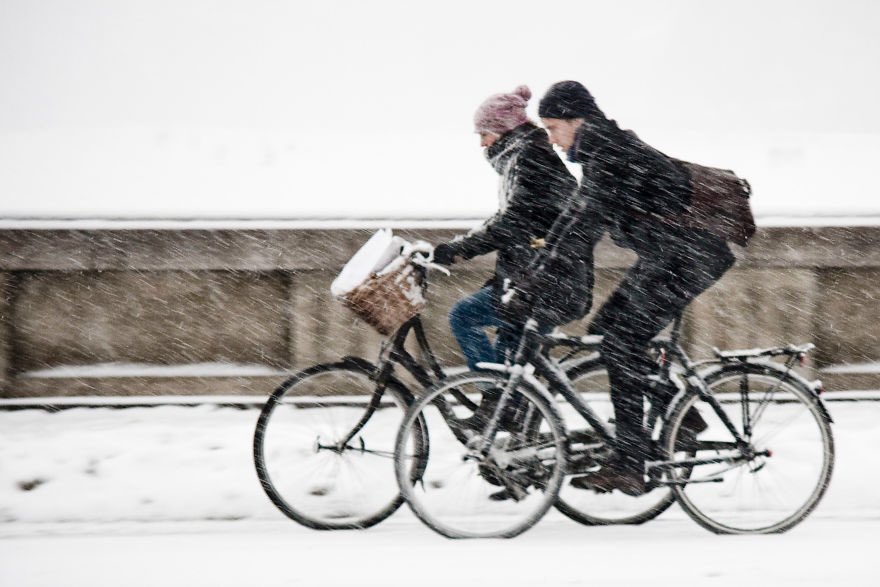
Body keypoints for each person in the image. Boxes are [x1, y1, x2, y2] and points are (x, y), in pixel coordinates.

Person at [529, 81, 736, 495]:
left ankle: (630, 462)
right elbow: (572, 218)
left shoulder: (611, 154)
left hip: (689, 257)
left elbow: (584, 227)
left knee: (621, 343)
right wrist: (537, 268)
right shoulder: (602, 153)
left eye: (553, 128)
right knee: (608, 332)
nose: (551, 139)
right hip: (671, 256)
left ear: (577, 120)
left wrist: (537, 279)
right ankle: (679, 416)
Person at [432, 85, 578, 369]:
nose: (482, 144)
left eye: (484, 134)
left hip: (542, 283)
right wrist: (460, 246)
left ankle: (491, 391)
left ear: (503, 130)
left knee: (464, 316)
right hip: (538, 278)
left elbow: (513, 223)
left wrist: (460, 250)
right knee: (508, 367)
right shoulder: (526, 156)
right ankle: (500, 393)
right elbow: (512, 219)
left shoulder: (529, 159)